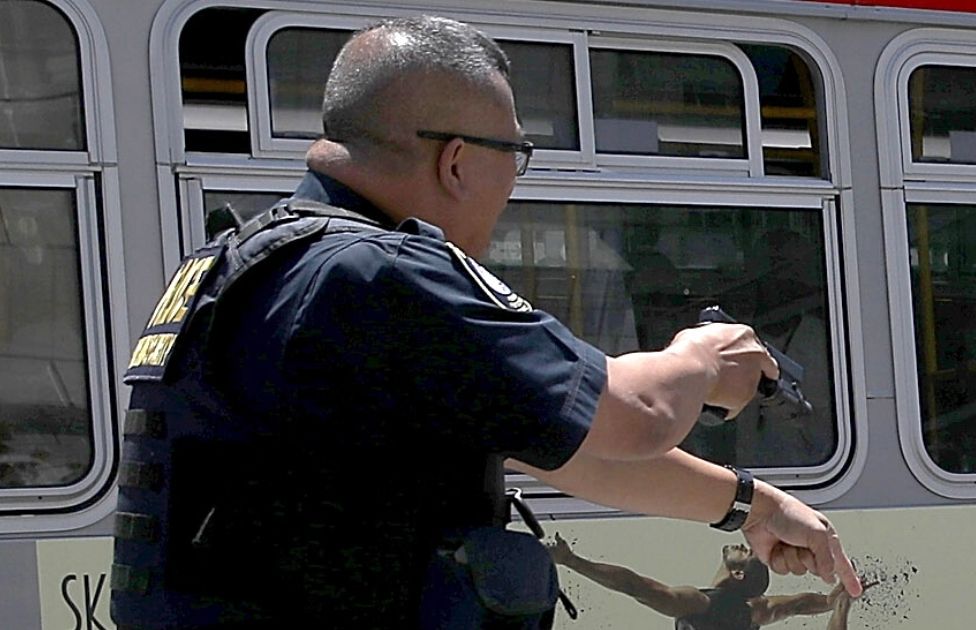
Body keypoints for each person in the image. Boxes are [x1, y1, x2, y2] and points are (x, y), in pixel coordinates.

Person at [111, 15, 861, 630]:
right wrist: (707, 354)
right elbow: (634, 414)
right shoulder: (380, 273)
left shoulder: (245, 265)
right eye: (518, 153)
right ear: (459, 161)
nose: (513, 182)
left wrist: (754, 506)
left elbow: (565, 450)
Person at [546, 534, 865, 630]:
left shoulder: (707, 606)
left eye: (743, 554)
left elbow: (635, 586)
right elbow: (808, 603)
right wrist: (837, 606)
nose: (738, 549)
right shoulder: (753, 610)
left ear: (738, 575)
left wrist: (572, 561)